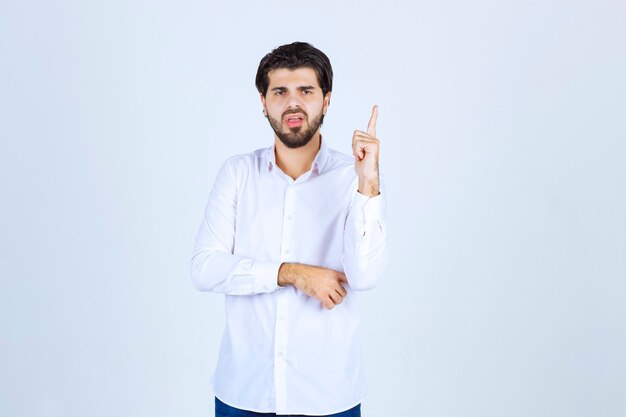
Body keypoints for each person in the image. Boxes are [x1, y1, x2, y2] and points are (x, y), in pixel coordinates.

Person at [190, 41, 387, 417]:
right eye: (280, 91)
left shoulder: (355, 179)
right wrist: (291, 274)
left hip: (328, 396)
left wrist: (369, 184)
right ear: (263, 102)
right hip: (244, 393)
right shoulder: (238, 174)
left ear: (326, 101)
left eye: (306, 91)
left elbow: (365, 276)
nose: (292, 103)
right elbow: (204, 267)